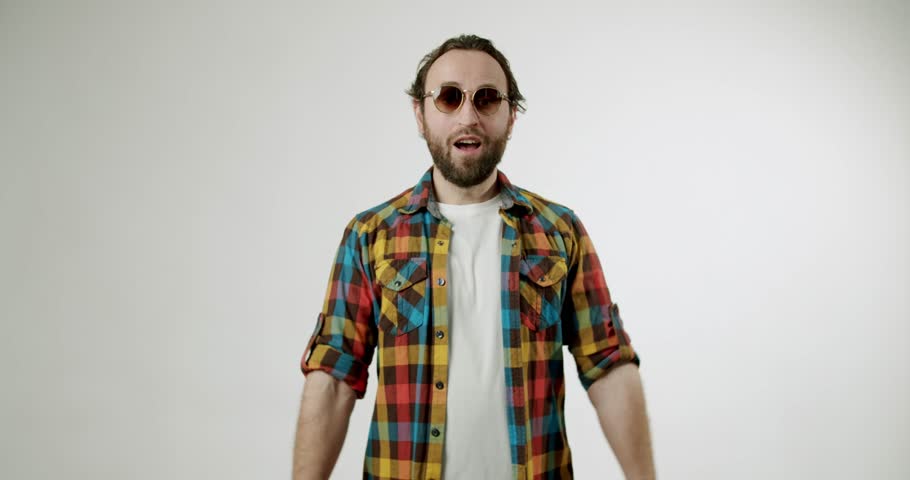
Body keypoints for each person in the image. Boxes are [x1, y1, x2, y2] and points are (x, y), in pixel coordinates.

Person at [293, 34, 655, 480]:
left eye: (487, 99)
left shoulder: (559, 231)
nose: (468, 116)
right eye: (449, 97)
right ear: (420, 114)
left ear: (511, 116)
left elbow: (608, 366)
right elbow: (333, 379)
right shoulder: (370, 235)